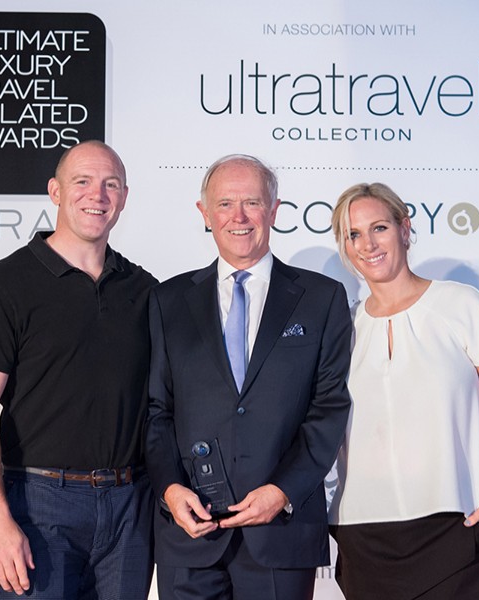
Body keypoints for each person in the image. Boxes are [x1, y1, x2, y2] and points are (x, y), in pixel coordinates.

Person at [0, 140, 157, 599]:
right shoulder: (4, 284)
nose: (97, 195)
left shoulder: (144, 291)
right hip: (39, 505)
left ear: (124, 197)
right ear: (55, 191)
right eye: (82, 182)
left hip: (130, 505)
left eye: (110, 185)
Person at [145, 154, 353, 599]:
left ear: (274, 210)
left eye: (251, 203)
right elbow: (156, 411)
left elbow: (330, 407)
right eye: (224, 204)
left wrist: (283, 490)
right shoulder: (167, 300)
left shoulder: (321, 298)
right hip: (189, 534)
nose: (238, 217)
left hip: (281, 531)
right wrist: (168, 488)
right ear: (205, 215)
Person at [327, 183, 479, 599]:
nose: (368, 244)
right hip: (362, 531)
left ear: (405, 228)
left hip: (453, 524)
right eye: (353, 234)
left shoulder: (461, 304)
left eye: (379, 227)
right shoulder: (342, 328)